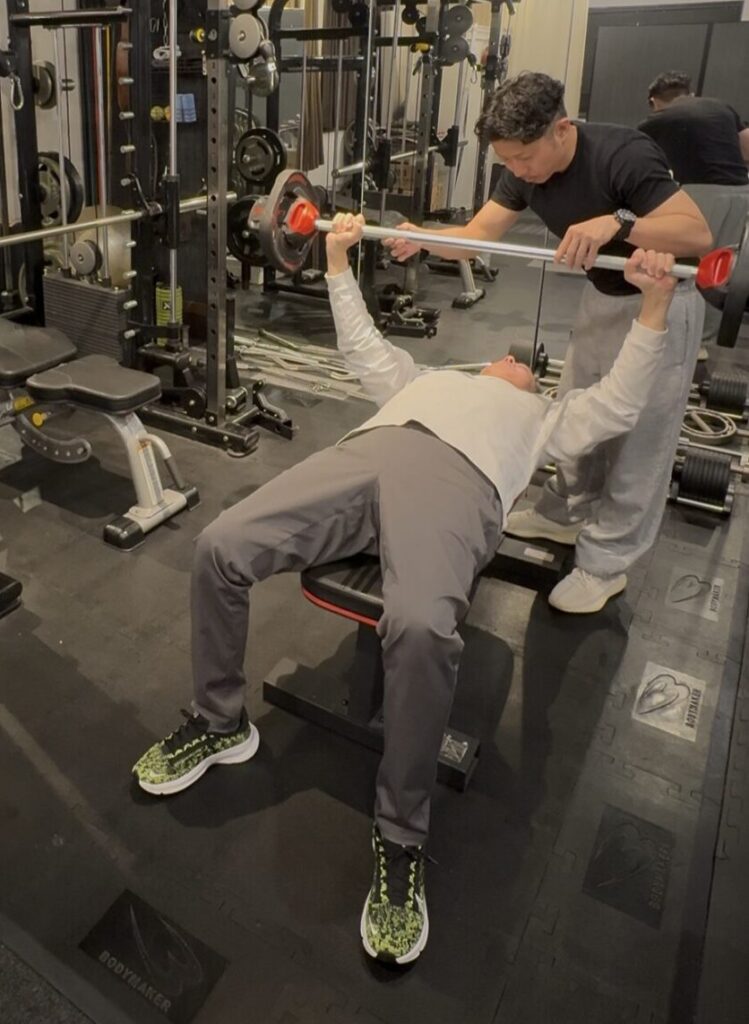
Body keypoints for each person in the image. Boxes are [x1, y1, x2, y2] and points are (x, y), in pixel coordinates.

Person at [133, 212, 681, 966]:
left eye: (526, 363)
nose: (514, 358)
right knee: (220, 545)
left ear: (535, 383)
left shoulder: (545, 417)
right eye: (506, 356)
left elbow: (619, 403)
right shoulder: (426, 380)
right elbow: (362, 346)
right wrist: (335, 259)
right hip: (365, 455)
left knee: (420, 627)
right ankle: (219, 720)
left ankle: (399, 834)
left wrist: (654, 306)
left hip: (458, 485)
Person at [386, 71, 713, 614]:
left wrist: (618, 223)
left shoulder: (623, 154)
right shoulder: (522, 171)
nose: (517, 171)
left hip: (661, 299)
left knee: (640, 442)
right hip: (602, 296)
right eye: (507, 161)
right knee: (575, 412)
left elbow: (696, 234)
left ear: (562, 129)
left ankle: (606, 564)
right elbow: (477, 238)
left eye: (524, 158)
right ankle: (563, 514)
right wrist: (419, 238)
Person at [638, 70, 749, 342]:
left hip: (701, 194)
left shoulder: (657, 121)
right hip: (741, 191)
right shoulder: (720, 107)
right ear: (690, 93)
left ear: (653, 101)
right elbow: (746, 145)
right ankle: (709, 338)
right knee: (724, 268)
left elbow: (638, 162)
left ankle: (688, 338)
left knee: (693, 267)